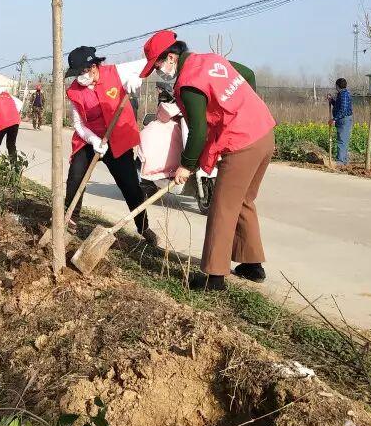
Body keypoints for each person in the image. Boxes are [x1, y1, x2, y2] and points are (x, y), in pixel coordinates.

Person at [140, 30, 276, 291]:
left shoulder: (189, 83)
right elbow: (247, 73)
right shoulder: (211, 61)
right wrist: (245, 107)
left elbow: (199, 132)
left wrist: (186, 165)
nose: (158, 71)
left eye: (157, 65)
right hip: (264, 133)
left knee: (222, 207)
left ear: (171, 57)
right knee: (242, 200)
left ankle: (214, 277)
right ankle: (252, 264)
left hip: (243, 142)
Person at [65, 45, 159, 245]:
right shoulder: (74, 91)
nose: (79, 78)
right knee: (75, 176)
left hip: (116, 138)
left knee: (130, 185)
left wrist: (138, 79)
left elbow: (148, 63)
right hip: (89, 139)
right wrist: (94, 140)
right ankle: (70, 221)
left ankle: (144, 227)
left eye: (82, 72)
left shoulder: (117, 72)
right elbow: (78, 124)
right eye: (76, 74)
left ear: (93, 66)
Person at [328, 78, 353, 165]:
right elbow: (339, 106)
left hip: (344, 120)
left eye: (336, 85)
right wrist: (332, 101)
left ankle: (340, 161)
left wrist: (334, 119)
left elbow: (343, 110)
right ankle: (344, 161)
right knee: (343, 140)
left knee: (342, 141)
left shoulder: (344, 95)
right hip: (342, 120)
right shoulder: (341, 94)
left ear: (337, 86)